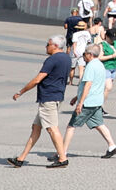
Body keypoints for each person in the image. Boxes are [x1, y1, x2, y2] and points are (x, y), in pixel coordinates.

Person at [7, 35, 70, 168]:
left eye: (48, 44)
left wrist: (21, 91)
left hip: (49, 98)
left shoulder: (51, 60)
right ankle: (21, 158)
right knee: (36, 128)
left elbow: (37, 79)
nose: (46, 47)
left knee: (52, 129)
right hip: (56, 96)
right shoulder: (66, 58)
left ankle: (62, 158)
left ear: (55, 46)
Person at [62, 44, 116, 160]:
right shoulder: (100, 65)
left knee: (71, 126)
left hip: (88, 102)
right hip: (97, 101)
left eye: (84, 54)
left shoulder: (91, 66)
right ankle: (112, 146)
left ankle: (62, 153)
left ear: (90, 55)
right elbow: (94, 85)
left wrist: (80, 102)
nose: (83, 56)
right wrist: (76, 97)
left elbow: (88, 84)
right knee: (99, 124)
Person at [70, 21, 92, 86]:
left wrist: (74, 51)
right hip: (83, 51)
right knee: (81, 67)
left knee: (72, 67)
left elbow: (74, 43)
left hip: (76, 51)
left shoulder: (75, 34)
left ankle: (71, 81)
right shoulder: (87, 33)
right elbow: (89, 42)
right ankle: (80, 82)